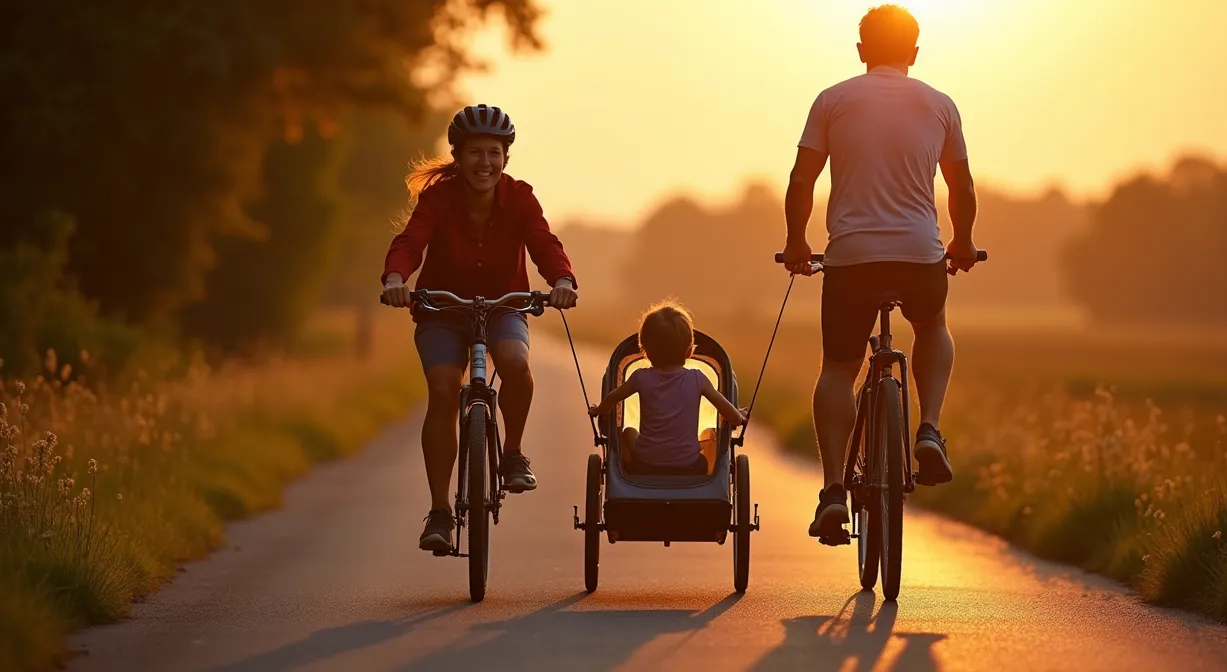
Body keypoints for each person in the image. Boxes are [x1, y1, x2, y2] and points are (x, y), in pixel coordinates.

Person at [779, 5, 980, 540]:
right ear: (914, 52)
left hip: (851, 257)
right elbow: (961, 187)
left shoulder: (832, 100)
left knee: (838, 368)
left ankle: (832, 492)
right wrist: (962, 242)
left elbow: (802, 180)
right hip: (919, 254)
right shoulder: (941, 104)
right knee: (932, 326)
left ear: (861, 50)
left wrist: (797, 243)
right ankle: (929, 428)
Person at [381, 104, 579, 553]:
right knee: (443, 390)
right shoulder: (438, 200)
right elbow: (411, 241)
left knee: (514, 362)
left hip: (504, 306)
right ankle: (439, 512)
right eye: (474, 152)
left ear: (506, 157)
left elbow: (543, 242)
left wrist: (563, 281)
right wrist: (395, 279)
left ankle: (512, 453)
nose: (484, 162)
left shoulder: (521, 198)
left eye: (494, 153)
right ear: (457, 155)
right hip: (442, 309)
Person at [588, 302, 746, 475]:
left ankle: (628, 471)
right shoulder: (698, 378)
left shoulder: (640, 377)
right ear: (689, 352)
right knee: (708, 438)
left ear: (645, 352)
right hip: (690, 467)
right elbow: (726, 410)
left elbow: (613, 397)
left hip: (646, 465)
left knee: (628, 432)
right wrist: (739, 416)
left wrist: (600, 410)